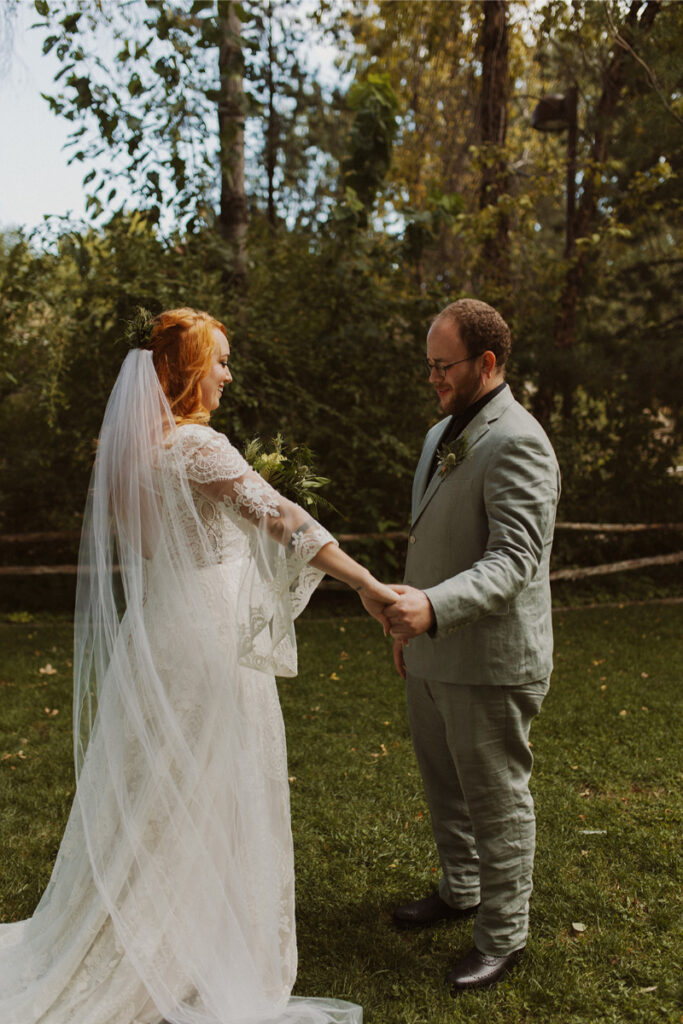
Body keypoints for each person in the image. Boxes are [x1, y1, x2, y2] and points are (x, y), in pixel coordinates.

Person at [0, 307, 397, 1024]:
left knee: (157, 781)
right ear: (187, 372)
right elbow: (283, 520)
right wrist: (367, 583)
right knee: (213, 778)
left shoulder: (133, 453)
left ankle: (161, 923)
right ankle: (190, 946)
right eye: (218, 361)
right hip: (206, 633)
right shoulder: (198, 446)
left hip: (156, 630)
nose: (227, 373)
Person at [383, 299, 560, 993]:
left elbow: (514, 560)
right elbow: (431, 538)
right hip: (431, 650)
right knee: (444, 790)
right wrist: (408, 620)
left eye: (442, 364)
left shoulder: (519, 440)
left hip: (489, 660)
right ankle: (460, 889)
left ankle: (502, 935)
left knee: (495, 799)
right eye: (428, 364)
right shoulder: (438, 436)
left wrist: (432, 607)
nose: (432, 377)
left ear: (486, 363)